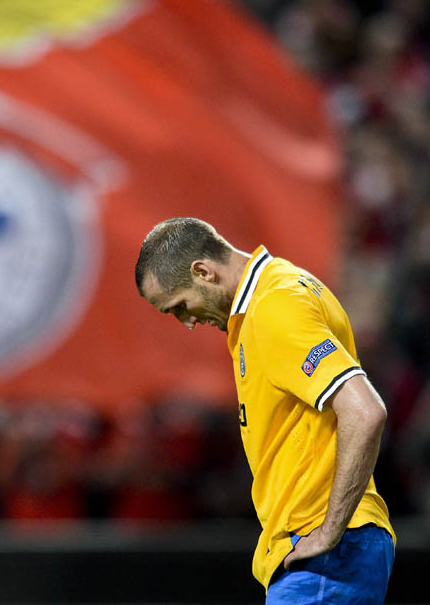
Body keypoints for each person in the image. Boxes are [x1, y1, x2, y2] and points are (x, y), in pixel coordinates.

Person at [135, 217, 395, 604]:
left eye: (179, 307)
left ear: (203, 271)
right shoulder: (264, 301)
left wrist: (328, 531)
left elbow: (365, 411)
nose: (187, 322)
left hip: (325, 552)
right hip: (324, 551)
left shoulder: (275, 306)